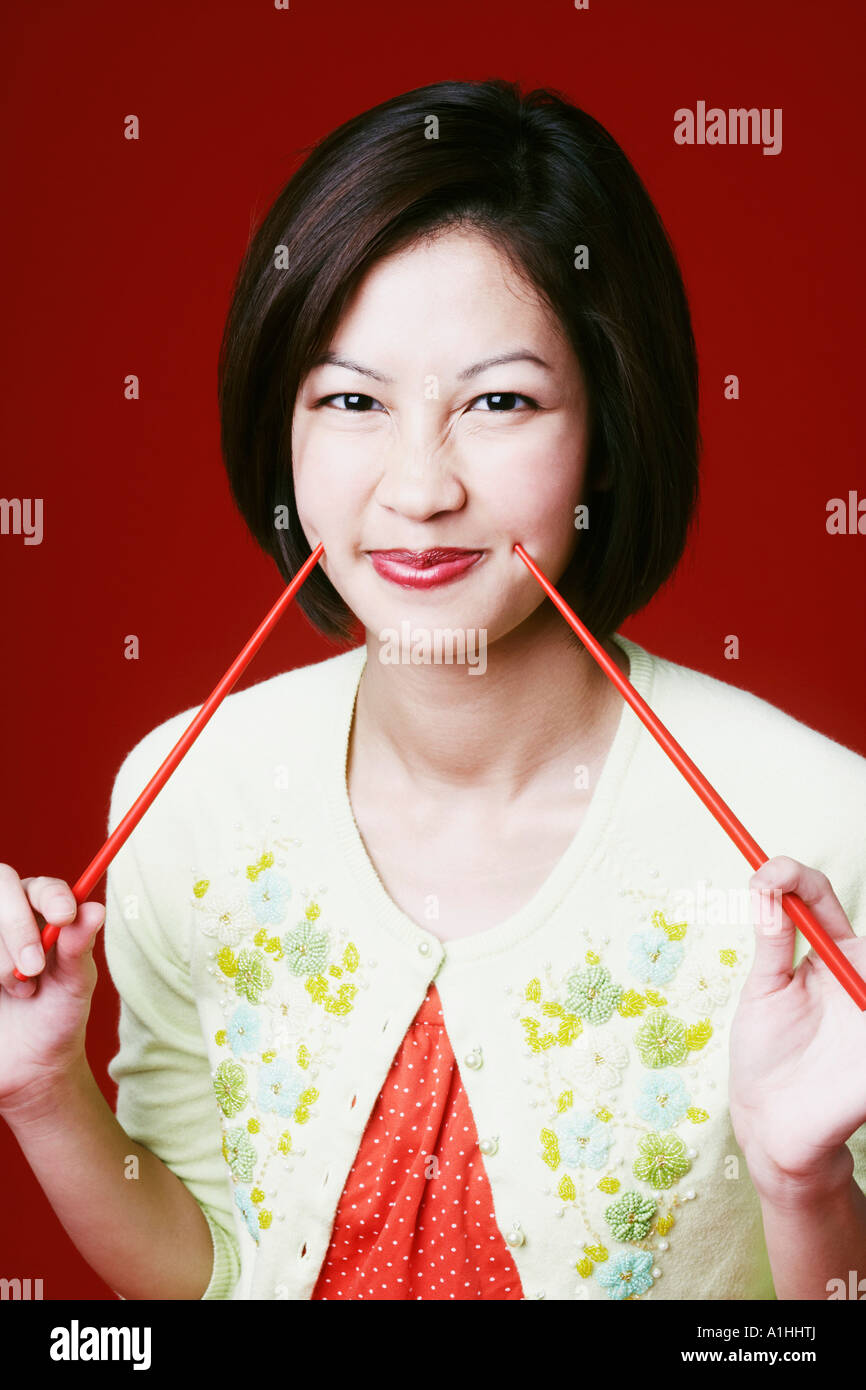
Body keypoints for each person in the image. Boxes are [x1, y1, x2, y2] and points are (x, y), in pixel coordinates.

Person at [2, 78, 865, 1302]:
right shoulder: (180, 792)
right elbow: (210, 1277)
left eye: (498, 402)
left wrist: (804, 1187)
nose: (417, 488)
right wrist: (45, 1093)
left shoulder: (824, 830)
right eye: (351, 401)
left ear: (606, 434)